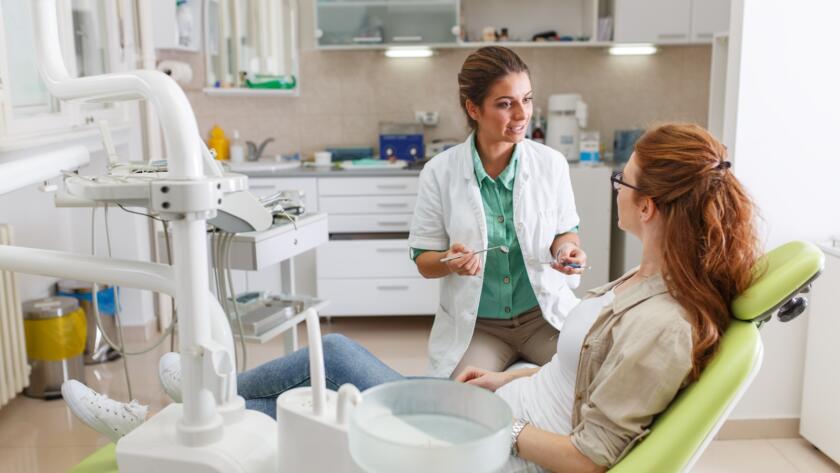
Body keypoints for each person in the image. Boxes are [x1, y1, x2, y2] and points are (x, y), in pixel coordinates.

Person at [64, 123, 759, 472]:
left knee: (321, 414)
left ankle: (164, 428)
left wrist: (500, 425)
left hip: (492, 452)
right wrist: (508, 382)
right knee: (335, 358)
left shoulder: (665, 323)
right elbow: (574, 375)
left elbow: (589, 458)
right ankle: (192, 405)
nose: (617, 190)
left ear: (650, 207)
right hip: (499, 413)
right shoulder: (643, 282)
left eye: (623, 181)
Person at [409, 46, 588, 378]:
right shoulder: (439, 172)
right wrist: (449, 260)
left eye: (527, 100)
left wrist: (566, 249)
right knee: (462, 398)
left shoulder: (551, 164)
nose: (522, 114)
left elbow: (566, 231)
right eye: (505, 104)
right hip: (481, 327)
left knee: (588, 379)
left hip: (542, 319)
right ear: (473, 108)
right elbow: (424, 260)